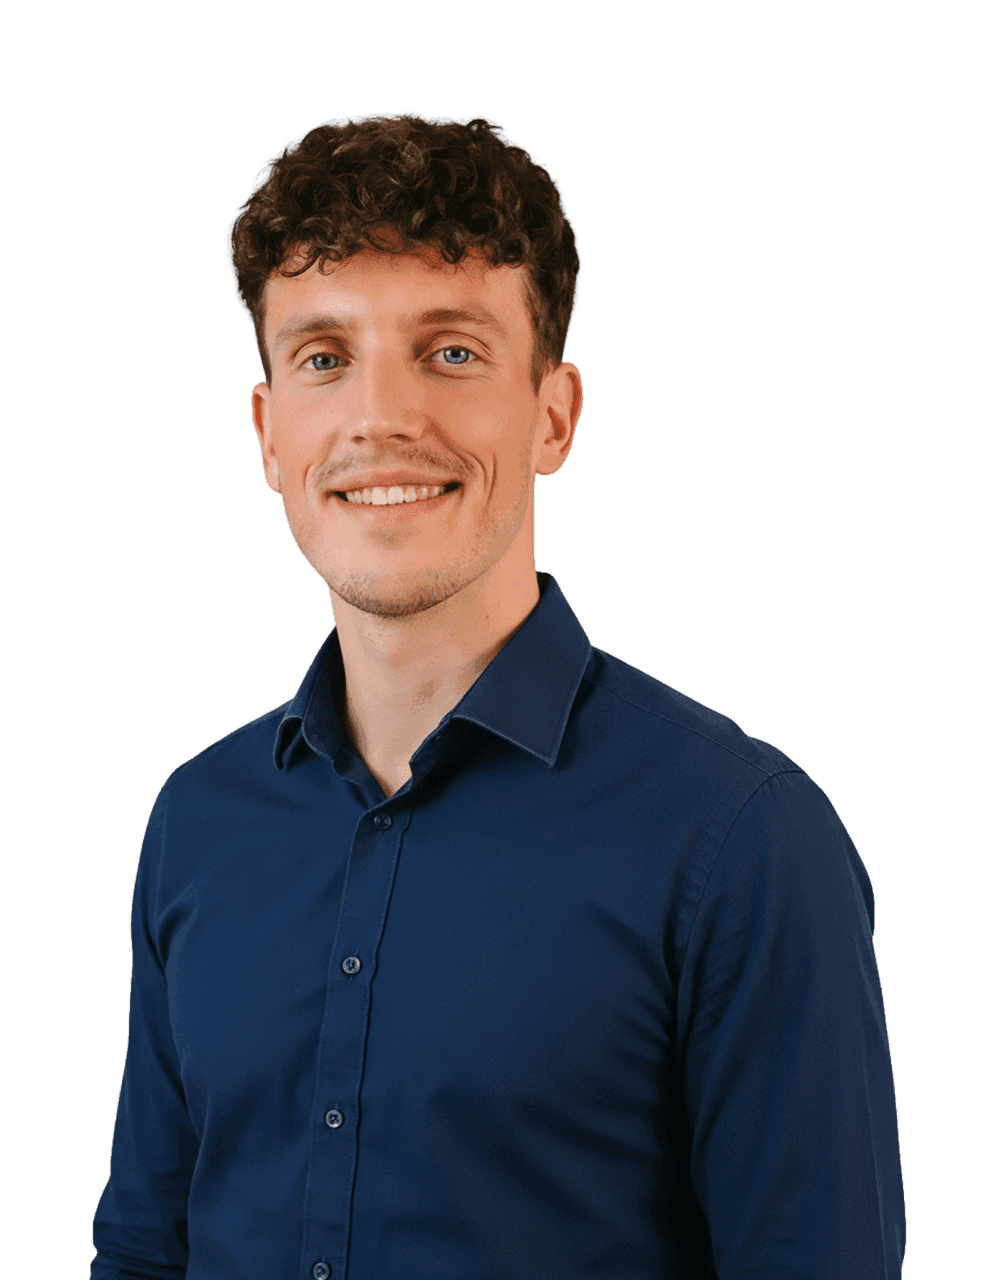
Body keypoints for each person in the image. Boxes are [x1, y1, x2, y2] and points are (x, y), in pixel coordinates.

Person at [91, 110, 905, 1280]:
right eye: (324, 357)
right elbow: (142, 1249)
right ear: (269, 432)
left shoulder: (742, 841)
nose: (380, 417)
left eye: (452, 352)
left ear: (553, 415)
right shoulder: (196, 822)